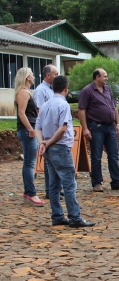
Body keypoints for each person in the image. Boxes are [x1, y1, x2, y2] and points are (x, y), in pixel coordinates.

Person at [35, 75, 95, 228]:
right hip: (60, 147)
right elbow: (63, 128)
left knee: (54, 185)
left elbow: (37, 127)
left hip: (48, 147)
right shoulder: (63, 105)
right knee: (69, 184)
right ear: (66, 89)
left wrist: (42, 142)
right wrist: (48, 142)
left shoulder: (46, 105)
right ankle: (74, 217)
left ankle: (57, 215)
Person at [78, 68, 119, 192]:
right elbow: (82, 110)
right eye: (104, 76)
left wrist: (118, 123)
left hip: (110, 127)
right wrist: (85, 128)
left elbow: (114, 107)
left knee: (114, 155)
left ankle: (116, 182)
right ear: (97, 77)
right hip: (96, 127)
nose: (106, 78)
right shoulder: (87, 91)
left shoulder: (108, 89)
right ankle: (97, 182)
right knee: (96, 156)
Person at [14, 67, 44, 206]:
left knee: (30, 163)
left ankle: (29, 191)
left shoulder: (27, 92)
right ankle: (31, 192)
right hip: (27, 131)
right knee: (30, 163)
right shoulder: (23, 93)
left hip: (30, 130)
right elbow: (21, 113)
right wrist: (31, 129)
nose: (34, 76)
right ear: (27, 78)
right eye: (32, 74)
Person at [33, 64, 61, 200]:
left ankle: (55, 188)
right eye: (55, 74)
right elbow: (40, 111)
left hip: (56, 130)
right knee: (49, 161)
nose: (57, 76)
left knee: (57, 160)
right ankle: (50, 189)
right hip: (47, 130)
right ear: (48, 75)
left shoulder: (53, 90)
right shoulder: (40, 90)